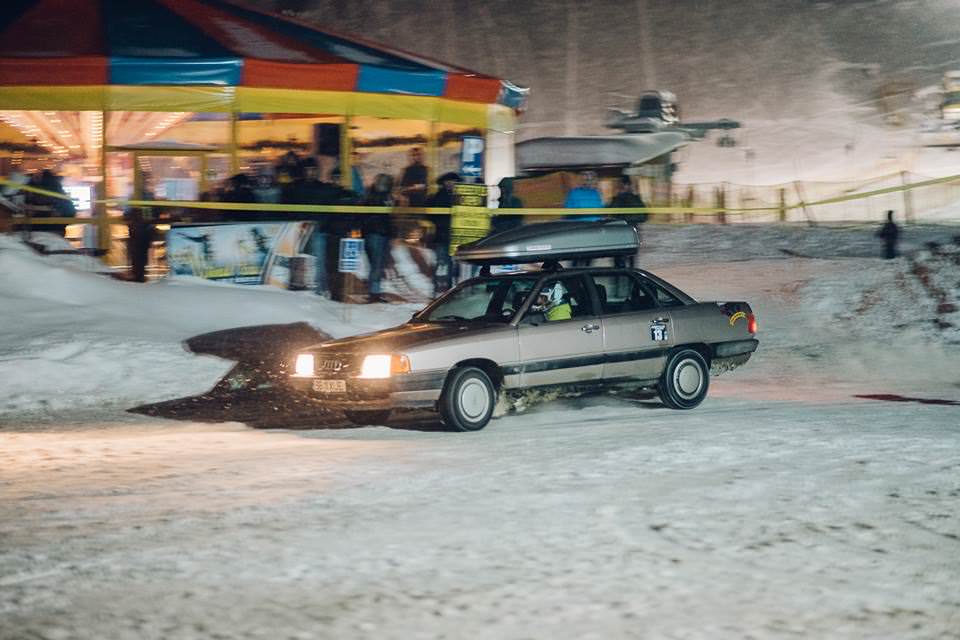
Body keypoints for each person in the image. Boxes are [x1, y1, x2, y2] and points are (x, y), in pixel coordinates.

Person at [362, 173, 395, 303]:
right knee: (376, 264)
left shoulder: (376, 196)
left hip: (378, 233)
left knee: (376, 264)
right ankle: (374, 292)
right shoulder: (376, 197)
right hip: (376, 233)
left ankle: (374, 290)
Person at [425, 171, 459, 295]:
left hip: (445, 235)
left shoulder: (438, 196)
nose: (451, 184)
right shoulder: (442, 196)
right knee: (444, 263)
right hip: (445, 235)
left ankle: (442, 289)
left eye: (453, 181)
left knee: (445, 263)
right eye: (448, 181)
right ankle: (444, 289)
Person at [608, 175, 647, 268]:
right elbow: (610, 213)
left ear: (627, 185)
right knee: (625, 262)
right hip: (623, 235)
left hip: (626, 234)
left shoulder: (634, 199)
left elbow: (643, 216)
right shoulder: (631, 198)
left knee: (627, 262)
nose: (619, 187)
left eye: (621, 185)